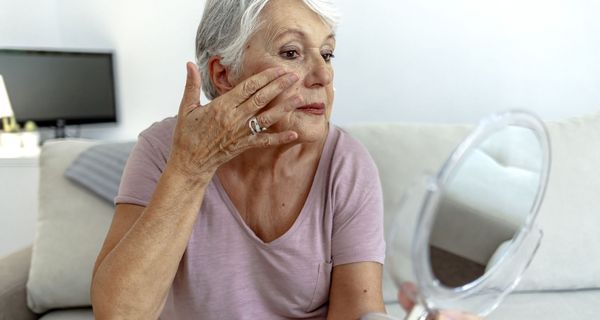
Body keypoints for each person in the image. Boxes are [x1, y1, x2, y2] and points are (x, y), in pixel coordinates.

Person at [90, 0, 482, 319]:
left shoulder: (346, 163)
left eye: (327, 53)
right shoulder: (164, 148)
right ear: (223, 73)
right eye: (292, 52)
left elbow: (358, 311)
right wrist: (192, 168)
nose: (322, 75)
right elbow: (120, 313)